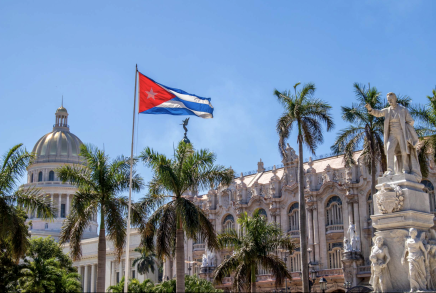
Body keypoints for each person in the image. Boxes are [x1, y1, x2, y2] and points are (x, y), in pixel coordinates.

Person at [365, 93, 421, 181]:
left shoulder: (403, 109)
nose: (390, 101)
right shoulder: (387, 110)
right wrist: (370, 110)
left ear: (395, 99)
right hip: (392, 134)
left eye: (391, 99)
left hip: (401, 133)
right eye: (388, 100)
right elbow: (379, 113)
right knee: (389, 150)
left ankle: (405, 169)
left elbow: (411, 121)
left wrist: (407, 129)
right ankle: (390, 170)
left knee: (404, 151)